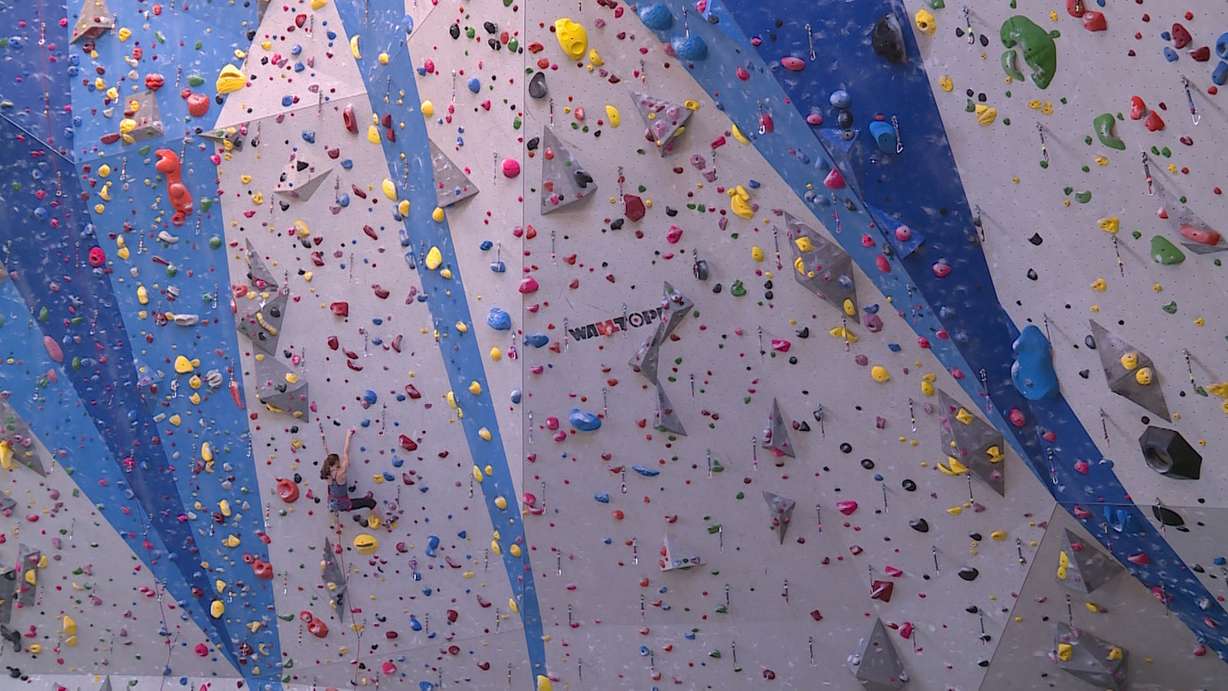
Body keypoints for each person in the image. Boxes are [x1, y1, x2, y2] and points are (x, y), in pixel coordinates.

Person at [321, 428, 376, 512]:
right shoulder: (341, 472)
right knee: (370, 502)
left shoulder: (326, 473)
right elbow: (345, 452)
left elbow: (328, 457)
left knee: (336, 496)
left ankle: (336, 516)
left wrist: (324, 442)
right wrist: (348, 436)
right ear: (336, 462)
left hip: (331, 502)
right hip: (343, 504)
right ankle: (384, 522)